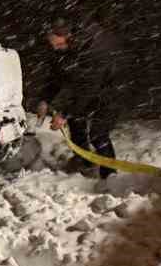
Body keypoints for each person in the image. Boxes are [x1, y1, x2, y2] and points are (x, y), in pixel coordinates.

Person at [36, 15, 123, 179]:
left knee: (99, 134)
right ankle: (85, 163)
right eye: (52, 44)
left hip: (109, 92)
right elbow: (55, 79)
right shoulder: (61, 51)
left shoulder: (91, 51)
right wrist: (44, 99)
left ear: (69, 37)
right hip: (86, 91)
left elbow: (88, 89)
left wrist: (63, 114)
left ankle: (110, 176)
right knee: (76, 125)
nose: (55, 47)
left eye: (59, 43)